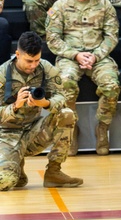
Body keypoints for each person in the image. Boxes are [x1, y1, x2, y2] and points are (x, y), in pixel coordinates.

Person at [45, 0, 120, 156]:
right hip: (70, 57)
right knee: (64, 82)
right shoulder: (60, 7)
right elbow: (52, 39)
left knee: (111, 85)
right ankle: (71, 129)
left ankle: (102, 128)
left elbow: (112, 37)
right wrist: (75, 55)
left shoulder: (104, 5)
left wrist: (95, 55)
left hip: (98, 57)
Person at [0, 31, 80, 190]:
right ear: (17, 54)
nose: (33, 65)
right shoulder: (3, 73)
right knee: (5, 182)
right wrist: (15, 106)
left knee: (67, 115)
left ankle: (53, 172)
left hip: (33, 130)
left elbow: (62, 97)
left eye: (36, 60)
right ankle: (16, 167)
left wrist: (45, 103)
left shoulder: (45, 68)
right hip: (7, 134)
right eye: (29, 61)